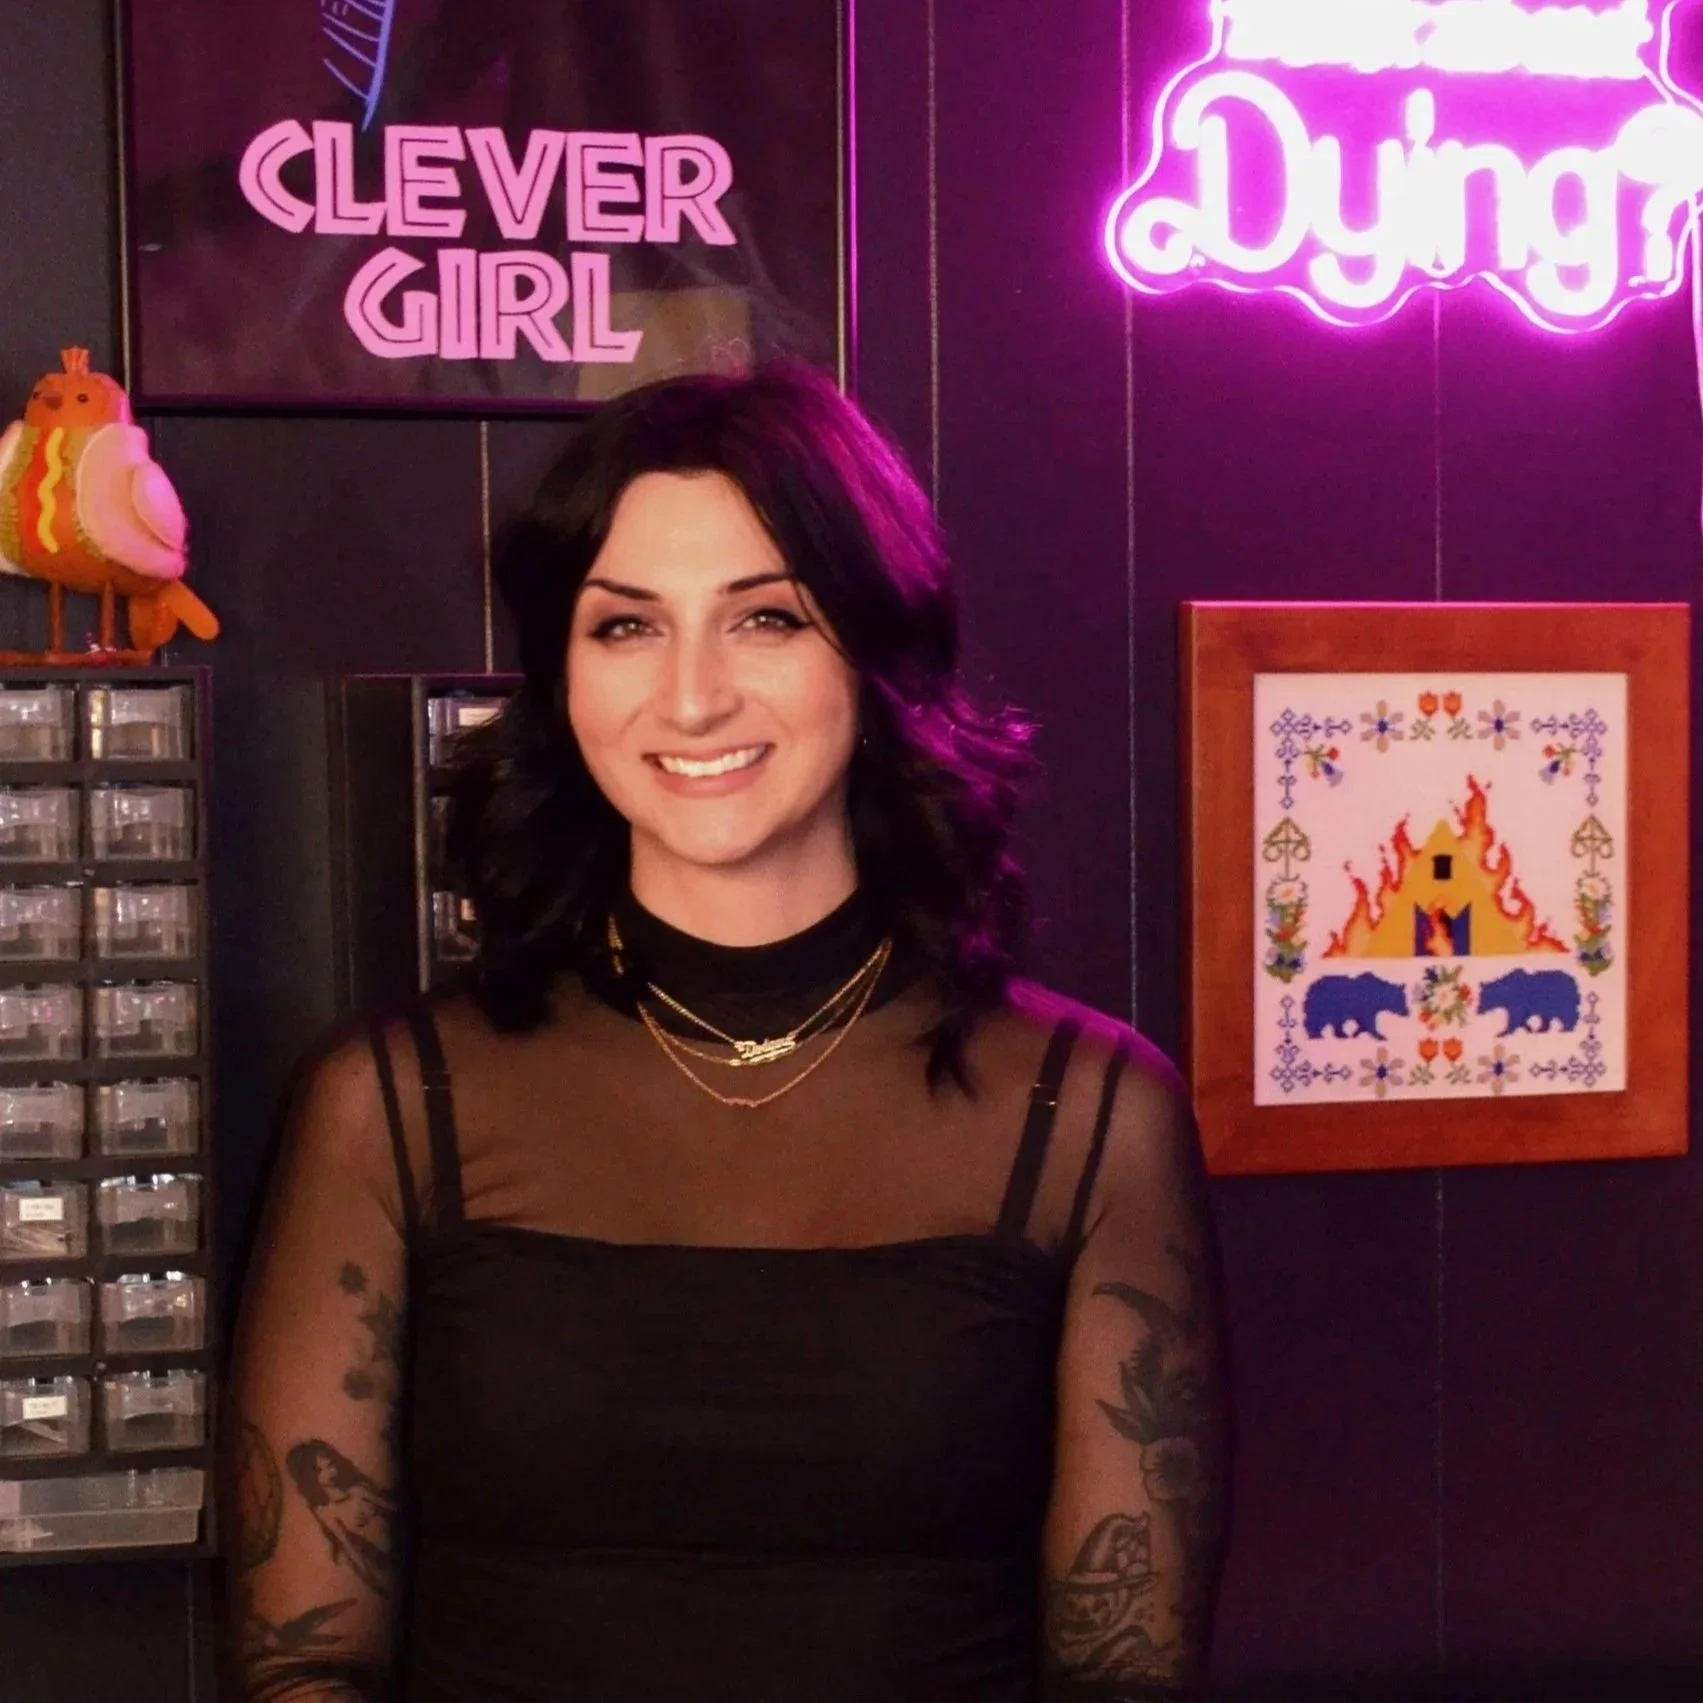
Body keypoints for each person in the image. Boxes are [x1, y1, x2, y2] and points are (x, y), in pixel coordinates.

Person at [223, 362, 1231, 1702]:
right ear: (559, 673)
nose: (690, 697)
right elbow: (307, 1665)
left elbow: (1122, 1673)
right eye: (625, 627)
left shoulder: (1090, 1112)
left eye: (763, 618)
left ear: (873, 654)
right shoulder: (391, 1104)